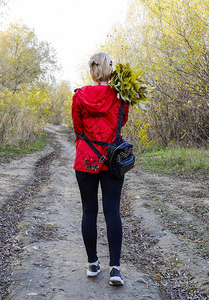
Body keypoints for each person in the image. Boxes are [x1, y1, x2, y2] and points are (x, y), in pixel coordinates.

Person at [71, 51, 129, 286]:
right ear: (110, 69)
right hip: (112, 158)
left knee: (89, 211)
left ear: (92, 70)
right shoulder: (121, 95)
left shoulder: (80, 95)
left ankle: (93, 264)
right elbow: (121, 122)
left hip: (86, 159)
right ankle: (115, 269)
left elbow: (77, 126)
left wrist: (86, 145)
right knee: (112, 211)